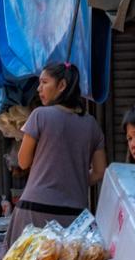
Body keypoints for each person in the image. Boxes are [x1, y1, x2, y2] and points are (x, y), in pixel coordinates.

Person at [6, 62, 107, 245]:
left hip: (35, 210)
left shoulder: (39, 115)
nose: (39, 88)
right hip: (75, 216)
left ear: (61, 86)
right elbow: (100, 172)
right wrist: (72, 179)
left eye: (44, 82)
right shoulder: (92, 124)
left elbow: (23, 161)